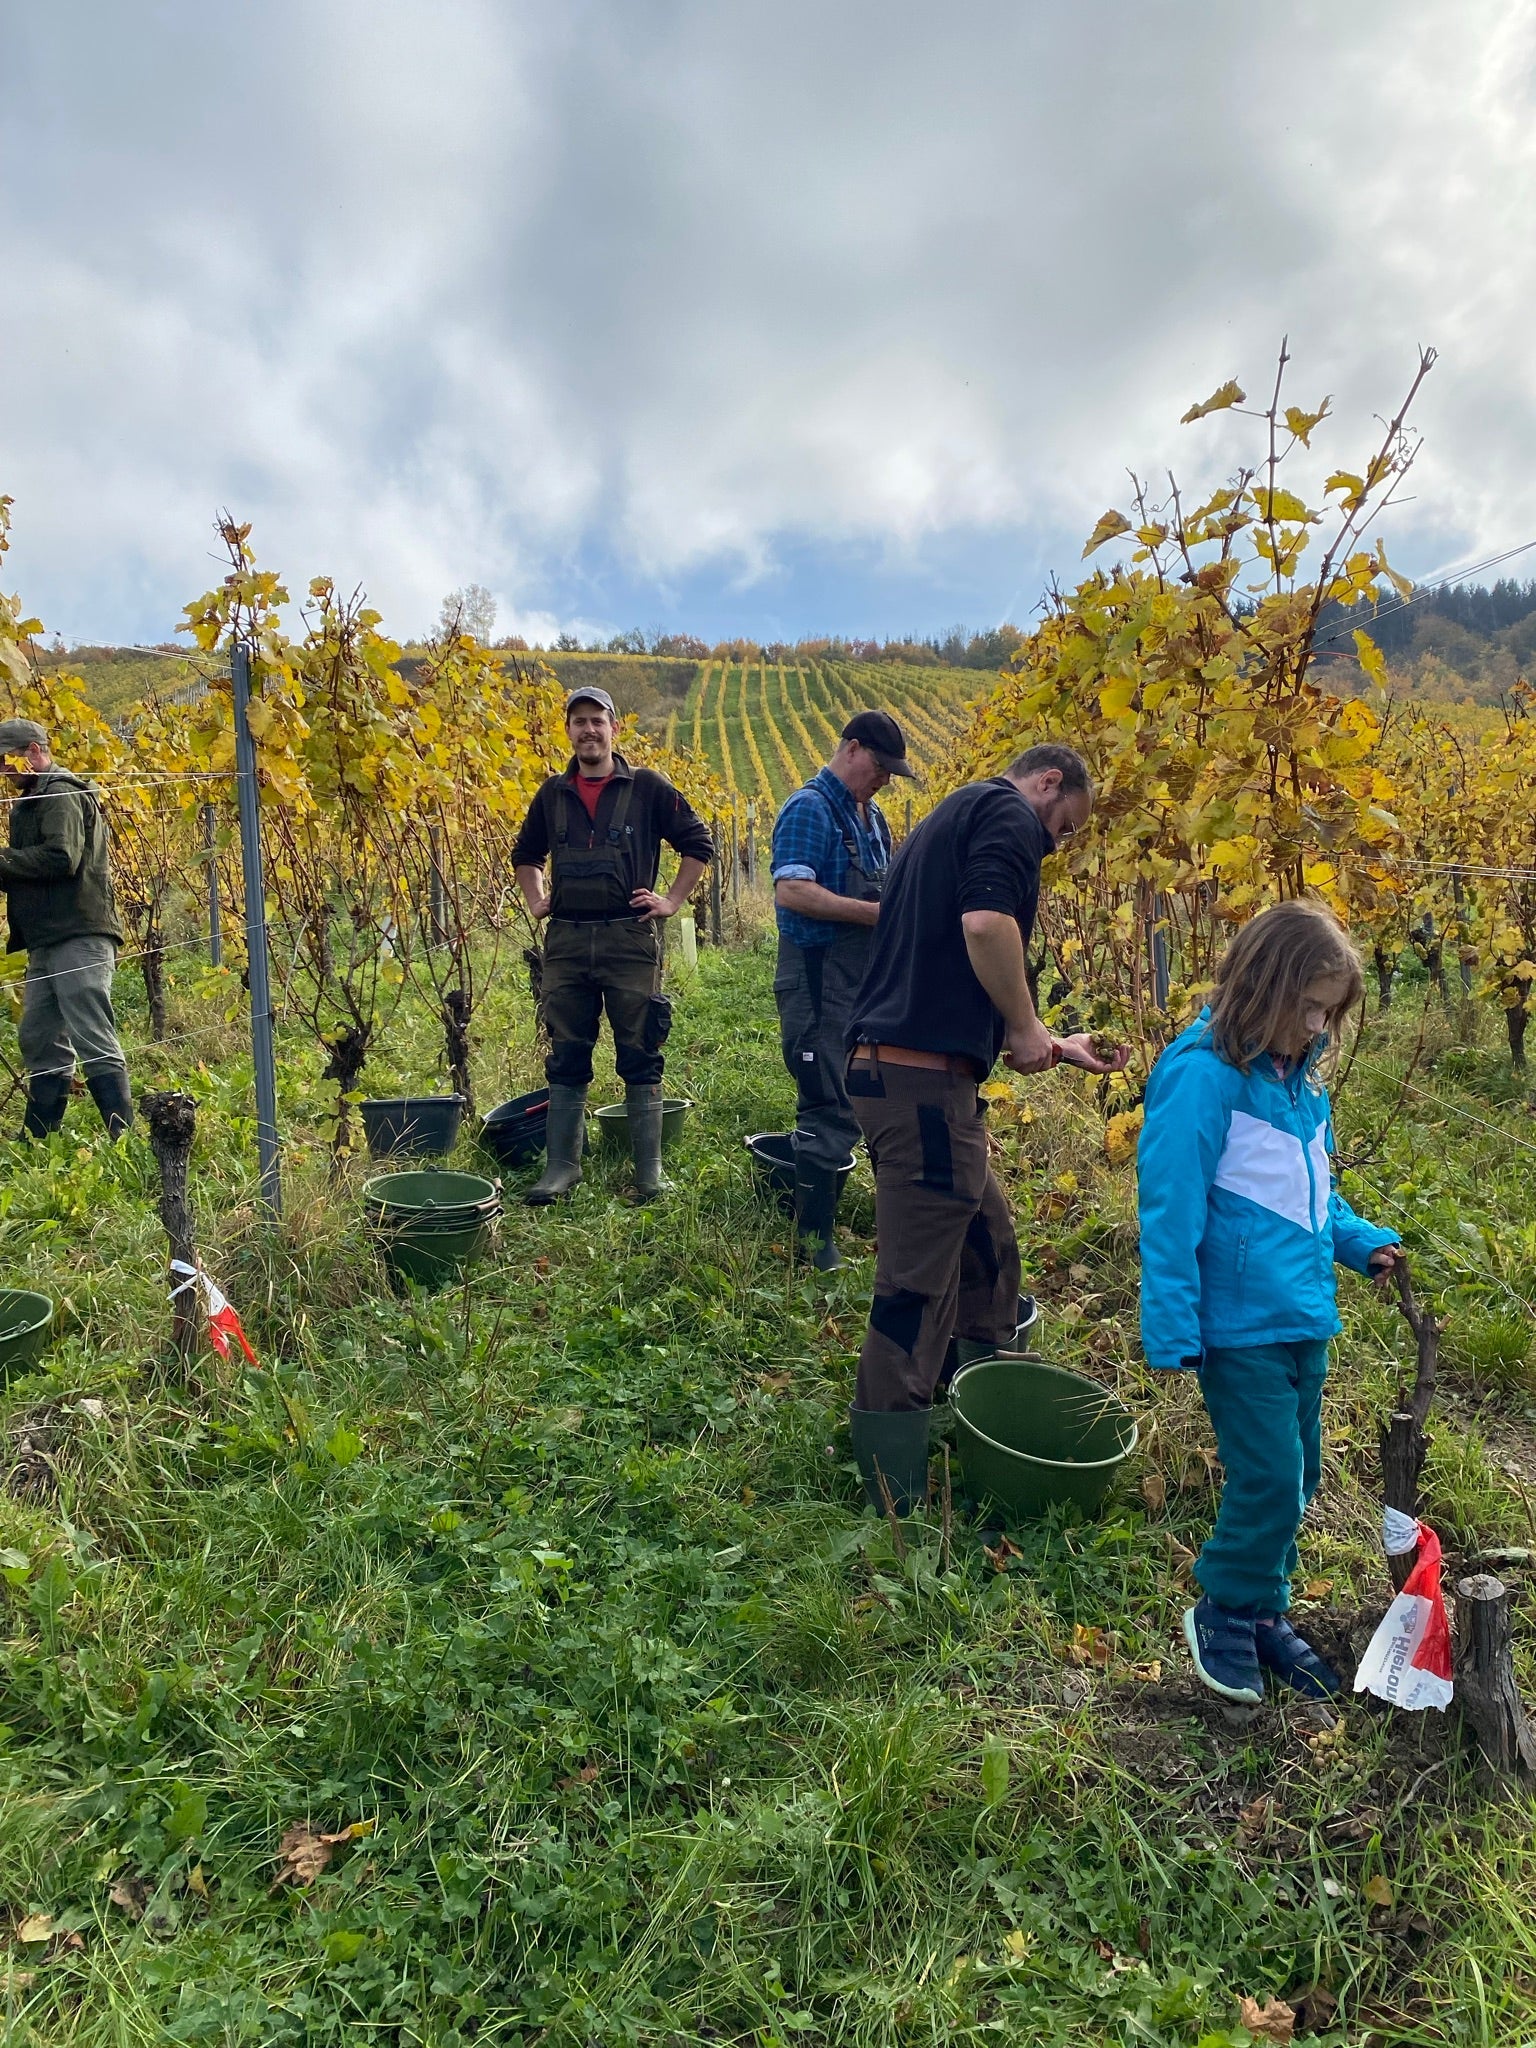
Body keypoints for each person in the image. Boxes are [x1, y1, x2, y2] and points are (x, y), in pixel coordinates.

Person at [844, 741, 1122, 1511]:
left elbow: (943, 972)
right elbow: (986, 925)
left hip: (911, 1073)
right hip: (920, 1088)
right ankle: (892, 1487)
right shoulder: (1007, 812)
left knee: (986, 1245)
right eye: (1064, 827)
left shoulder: (954, 817)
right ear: (1048, 782)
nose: (1056, 844)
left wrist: (1051, 1043)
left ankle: (974, 1403)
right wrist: (1024, 1024)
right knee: (915, 1285)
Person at [1137, 899, 1403, 1704]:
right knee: (1270, 1474)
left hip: (1302, 1310)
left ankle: (1262, 1609)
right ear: (1266, 986)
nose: (1320, 1026)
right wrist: (1173, 1321)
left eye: (1330, 1012)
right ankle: (1223, 1604)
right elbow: (1171, 1207)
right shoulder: (1203, 1078)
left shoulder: (1299, 1082)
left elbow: (1310, 1192)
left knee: (1302, 1472)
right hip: (1238, 1322)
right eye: (1311, 1007)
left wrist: (1357, 1242)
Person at [512, 687, 713, 1203]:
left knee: (641, 1048)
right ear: (569, 731)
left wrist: (671, 899)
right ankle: (562, 1168)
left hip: (628, 938)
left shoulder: (647, 787)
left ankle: (649, 1172)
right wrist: (536, 898)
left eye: (597, 720)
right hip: (567, 941)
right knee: (566, 1051)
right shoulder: (552, 793)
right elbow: (526, 853)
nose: (588, 730)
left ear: (613, 728)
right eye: (579, 721)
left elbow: (698, 843)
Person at [770, 711, 912, 1270]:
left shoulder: (872, 817)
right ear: (851, 749)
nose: (884, 780)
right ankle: (814, 1245)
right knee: (827, 1099)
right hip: (817, 979)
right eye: (880, 767)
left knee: (857, 1092)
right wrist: (878, 915)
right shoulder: (810, 808)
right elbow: (793, 892)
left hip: (862, 981)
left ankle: (826, 1223)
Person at [0, 718, 133, 1140]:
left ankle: (123, 1140)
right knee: (39, 1035)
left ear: (33, 752)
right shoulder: (34, 798)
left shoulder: (59, 793)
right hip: (48, 935)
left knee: (90, 1032)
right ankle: (41, 1140)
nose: (3, 771)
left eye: (6, 760)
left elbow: (61, 857)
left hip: (78, 932)